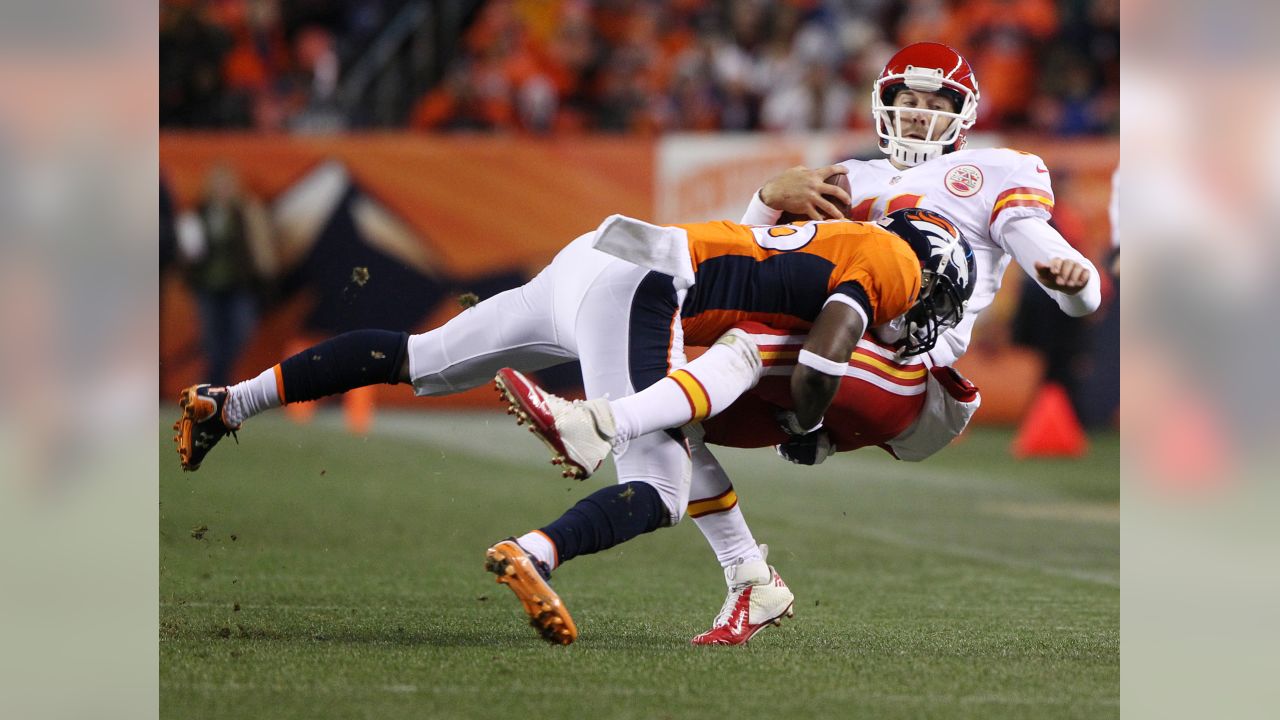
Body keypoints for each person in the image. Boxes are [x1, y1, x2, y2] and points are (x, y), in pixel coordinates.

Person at [172, 207, 973, 646]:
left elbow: (769, 247)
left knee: (417, 357)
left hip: (592, 256)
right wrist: (806, 420)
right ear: (931, 271)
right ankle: (544, 537)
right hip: (642, 281)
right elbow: (823, 359)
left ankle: (229, 401)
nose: (926, 317)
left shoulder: (835, 235)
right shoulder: (894, 261)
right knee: (657, 481)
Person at [657, 41, 1102, 645]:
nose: (918, 111)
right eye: (908, 99)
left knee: (740, 348)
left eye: (933, 101)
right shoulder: (846, 177)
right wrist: (764, 200)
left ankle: (610, 418)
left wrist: (1072, 284)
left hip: (907, 369)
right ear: (884, 104)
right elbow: (753, 262)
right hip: (813, 349)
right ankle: (749, 576)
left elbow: (1075, 284)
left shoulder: (996, 171)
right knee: (665, 412)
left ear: (963, 112)